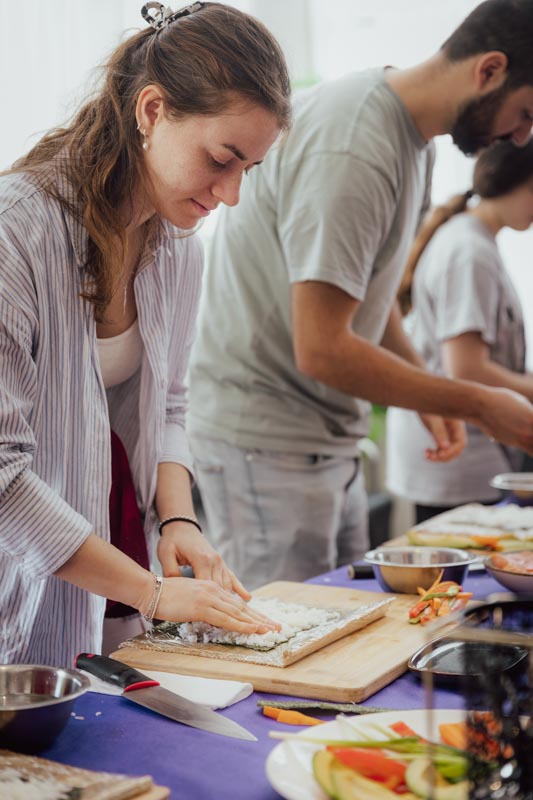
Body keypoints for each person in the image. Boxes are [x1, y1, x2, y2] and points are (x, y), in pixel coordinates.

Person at [187, 0, 533, 590]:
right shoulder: (355, 143)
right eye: (525, 113)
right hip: (267, 444)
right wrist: (473, 402)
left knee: (349, 628)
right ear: (490, 70)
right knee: (285, 659)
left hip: (319, 445)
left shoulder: (411, 140)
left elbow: (362, 301)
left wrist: (428, 390)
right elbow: (322, 348)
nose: (521, 136)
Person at [0, 1, 291, 666]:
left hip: (111, 567)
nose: (232, 194)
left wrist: (180, 520)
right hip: (23, 577)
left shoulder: (178, 244)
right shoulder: (15, 232)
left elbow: (171, 404)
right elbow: (2, 477)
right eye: (222, 158)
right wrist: (154, 592)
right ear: (152, 111)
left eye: (249, 168)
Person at [387, 140, 533, 524]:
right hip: (458, 458)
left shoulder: (472, 239)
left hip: (459, 453)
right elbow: (466, 369)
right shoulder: (470, 251)